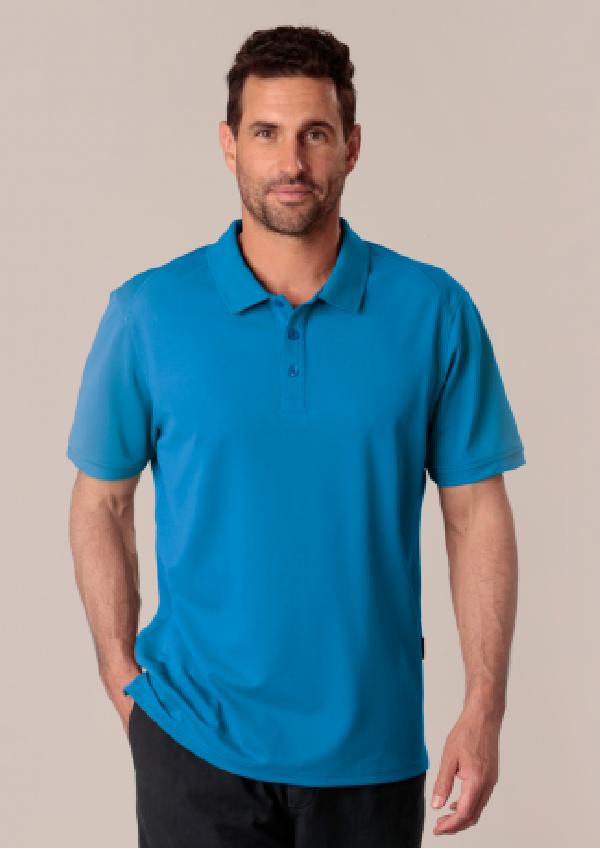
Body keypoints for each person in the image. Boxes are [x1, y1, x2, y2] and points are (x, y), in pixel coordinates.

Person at [66, 24, 526, 848]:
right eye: (266, 133)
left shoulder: (432, 311)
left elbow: (475, 511)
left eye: (315, 133)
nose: (291, 161)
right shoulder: (148, 313)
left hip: (370, 749)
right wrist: (121, 677)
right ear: (228, 145)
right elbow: (101, 501)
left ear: (352, 146)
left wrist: (483, 706)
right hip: (192, 739)